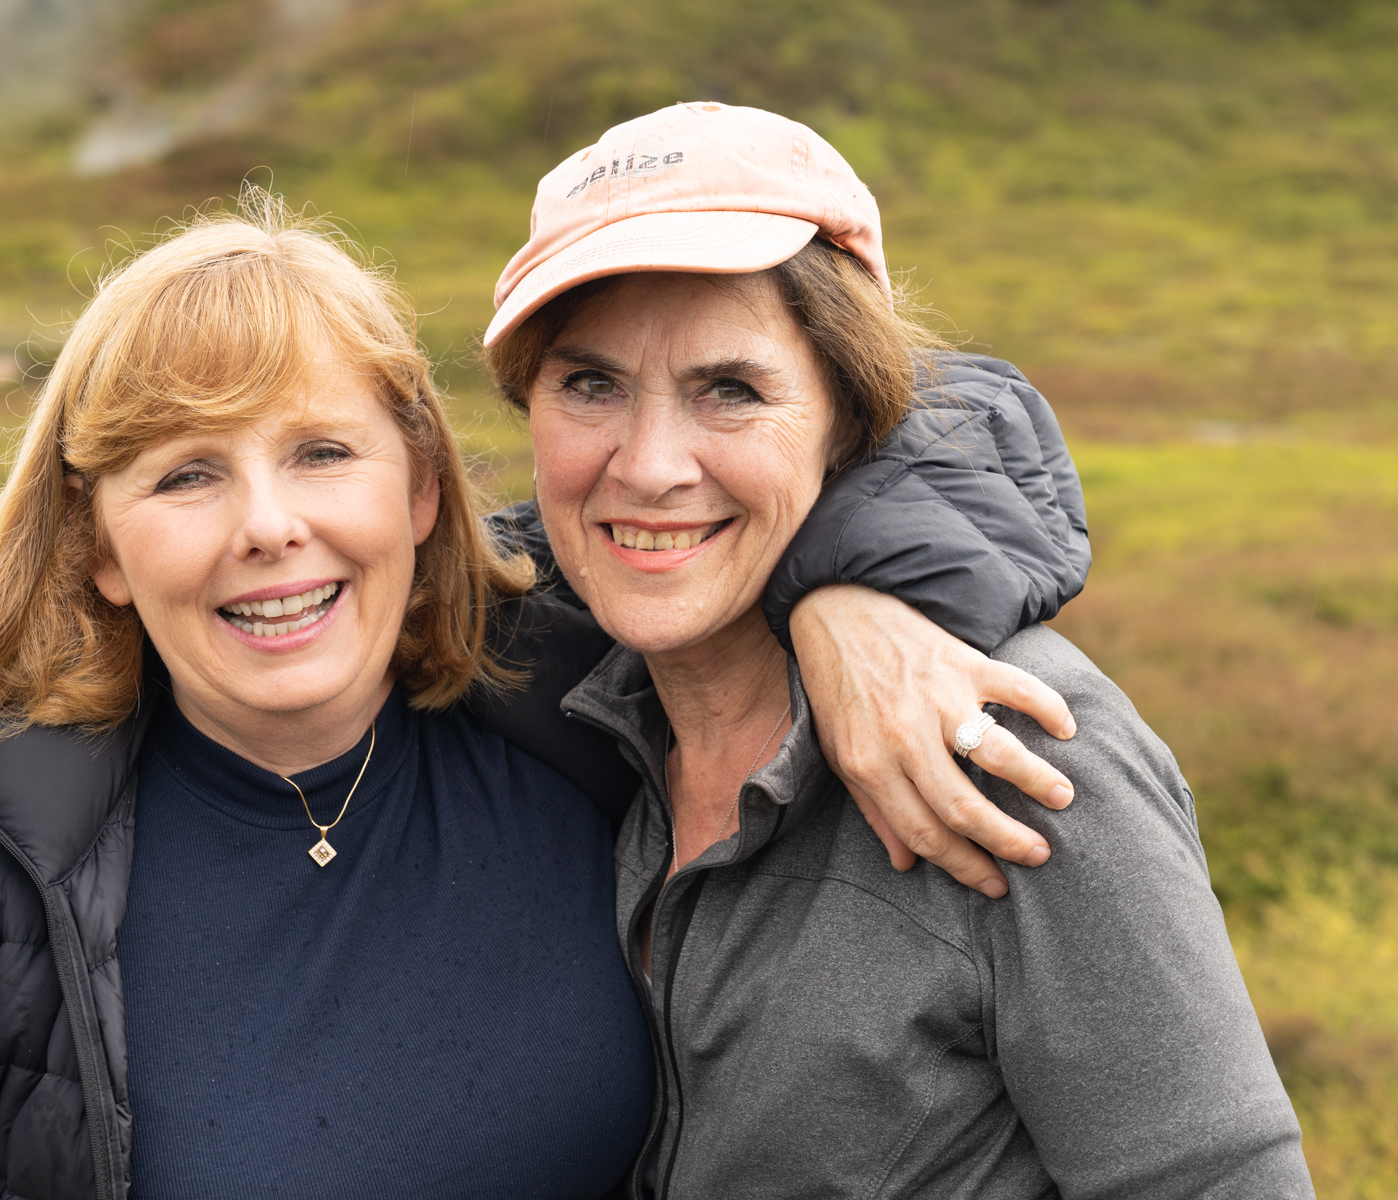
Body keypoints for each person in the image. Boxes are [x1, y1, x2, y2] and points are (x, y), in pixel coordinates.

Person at [0, 184, 1086, 1196]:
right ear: (100, 546)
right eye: (186, 473)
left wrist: (849, 596)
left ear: (425, 486)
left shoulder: (593, 719)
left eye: (322, 451)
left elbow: (915, 412)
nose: (267, 527)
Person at [478, 102, 1312, 1196]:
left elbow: (1213, 1176)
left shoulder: (1018, 745)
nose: (649, 465)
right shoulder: (580, 722)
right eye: (590, 384)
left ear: (849, 414)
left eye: (731, 390)